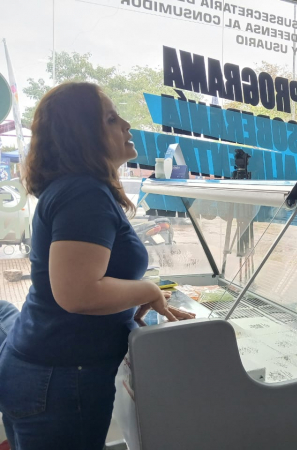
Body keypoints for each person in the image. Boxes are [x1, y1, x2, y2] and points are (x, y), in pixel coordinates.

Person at [0, 82, 195, 449]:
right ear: (81, 135)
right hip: (58, 379)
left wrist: (127, 296)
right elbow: (79, 293)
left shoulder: (80, 190)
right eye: (110, 118)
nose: (126, 125)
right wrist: (148, 290)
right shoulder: (83, 193)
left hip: (48, 372)